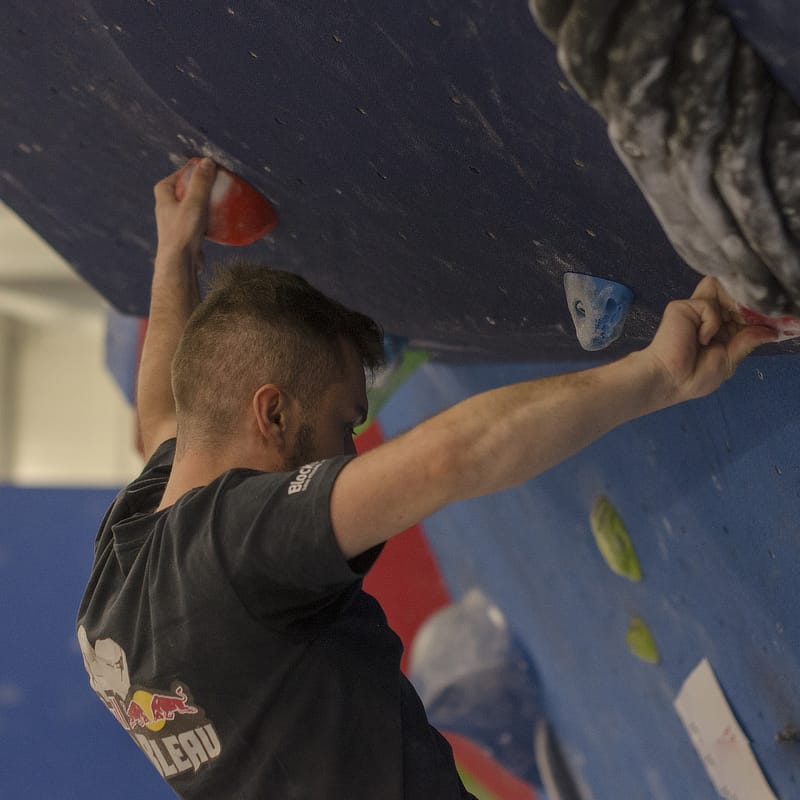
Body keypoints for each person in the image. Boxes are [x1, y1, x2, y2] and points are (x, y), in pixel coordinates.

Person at [76, 158, 775, 799]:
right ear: (273, 412)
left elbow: (163, 417)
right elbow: (449, 458)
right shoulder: (235, 546)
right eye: (344, 423)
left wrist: (176, 256)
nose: (349, 454)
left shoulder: (125, 560)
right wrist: (657, 376)